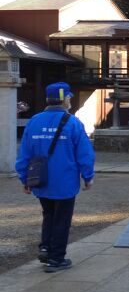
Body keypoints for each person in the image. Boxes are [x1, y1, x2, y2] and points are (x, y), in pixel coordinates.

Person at [15, 82, 95, 273]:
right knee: (62, 218)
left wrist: (24, 178)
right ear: (65, 99)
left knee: (48, 214)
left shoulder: (34, 121)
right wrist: (88, 176)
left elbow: (24, 153)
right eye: (69, 97)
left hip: (40, 179)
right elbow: (84, 153)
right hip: (65, 180)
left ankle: (45, 247)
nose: (70, 100)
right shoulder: (73, 123)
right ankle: (56, 258)